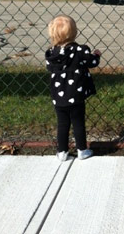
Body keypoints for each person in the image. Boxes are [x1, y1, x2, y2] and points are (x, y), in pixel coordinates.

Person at [45, 15, 101, 161]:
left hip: (58, 96)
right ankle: (82, 149)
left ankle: (62, 152)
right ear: (74, 33)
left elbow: (49, 67)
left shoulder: (52, 54)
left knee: (62, 124)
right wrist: (96, 54)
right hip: (76, 95)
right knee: (78, 122)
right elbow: (92, 62)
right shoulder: (80, 51)